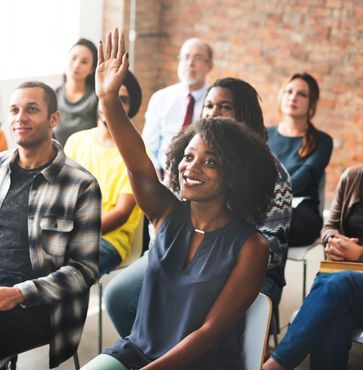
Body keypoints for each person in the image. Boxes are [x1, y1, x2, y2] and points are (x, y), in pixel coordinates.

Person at [82, 28, 277, 370]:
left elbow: (210, 332)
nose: (192, 167)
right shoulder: (167, 213)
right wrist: (109, 99)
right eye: (188, 156)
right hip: (137, 352)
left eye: (211, 161)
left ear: (234, 175)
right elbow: (138, 164)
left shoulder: (251, 246)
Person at [105, 77, 292, 339]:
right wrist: (108, 98)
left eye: (225, 106)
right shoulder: (190, 160)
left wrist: (207, 262)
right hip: (183, 253)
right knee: (120, 297)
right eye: (209, 106)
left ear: (245, 115)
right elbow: (159, 199)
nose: (214, 113)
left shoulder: (271, 174)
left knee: (196, 312)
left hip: (241, 266)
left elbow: (271, 249)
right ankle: (153, 345)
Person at [0, 81, 101, 368]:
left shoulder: (81, 185)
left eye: (32, 109)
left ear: (53, 119)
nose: (21, 117)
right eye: (15, 110)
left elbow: (84, 270)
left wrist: (18, 293)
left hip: (40, 303)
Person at [263, 163, 363, 370]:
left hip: (349, 282)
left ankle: (275, 365)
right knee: (334, 320)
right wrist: (333, 242)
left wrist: (361, 255)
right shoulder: (353, 176)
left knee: (340, 284)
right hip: (345, 280)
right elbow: (330, 226)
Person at [65, 70, 143, 276]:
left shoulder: (136, 155)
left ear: (131, 108)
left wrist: (76, 233)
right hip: (66, 232)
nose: (113, 104)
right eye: (108, 96)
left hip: (108, 241)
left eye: (122, 99)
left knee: (61, 271)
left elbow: (121, 214)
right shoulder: (76, 141)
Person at [267, 72, 333, 246]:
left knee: (276, 225)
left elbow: (305, 177)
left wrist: (270, 196)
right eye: (289, 92)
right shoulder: (264, 135)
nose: (293, 97)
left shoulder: (322, 141)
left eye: (301, 94)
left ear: (311, 103)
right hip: (263, 205)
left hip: (300, 210)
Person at [142, 36, 213, 179]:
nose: (190, 63)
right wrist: (155, 174)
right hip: (164, 176)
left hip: (201, 176)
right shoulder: (160, 98)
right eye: (185, 57)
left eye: (197, 58)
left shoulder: (214, 100)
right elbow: (148, 145)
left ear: (209, 65)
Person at [53, 38, 99, 146]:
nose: (77, 64)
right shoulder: (53, 96)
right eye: (74, 58)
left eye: (84, 62)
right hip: (58, 160)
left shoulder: (96, 99)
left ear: (91, 69)